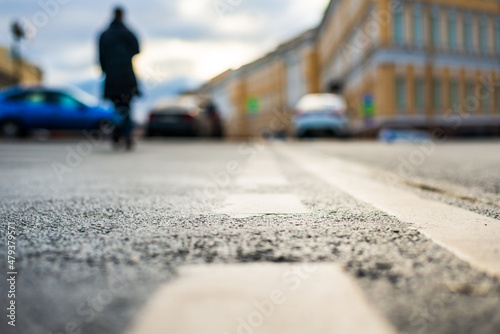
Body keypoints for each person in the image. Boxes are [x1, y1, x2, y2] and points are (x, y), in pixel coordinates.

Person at [99, 6, 140, 150]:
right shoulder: (127, 33)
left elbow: (101, 57)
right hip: (127, 78)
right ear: (122, 16)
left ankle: (117, 133)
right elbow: (137, 49)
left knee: (116, 107)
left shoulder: (105, 35)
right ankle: (126, 134)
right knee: (127, 107)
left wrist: (106, 70)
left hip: (112, 78)